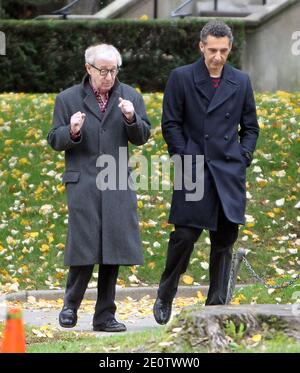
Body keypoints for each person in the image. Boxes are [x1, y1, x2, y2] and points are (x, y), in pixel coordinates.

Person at [153, 20, 259, 325]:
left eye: (223, 50)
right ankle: (165, 294)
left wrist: (243, 156)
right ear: (202, 47)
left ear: (230, 48)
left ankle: (216, 307)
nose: (218, 56)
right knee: (184, 236)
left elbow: (250, 126)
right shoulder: (182, 77)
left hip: (228, 171)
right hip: (193, 167)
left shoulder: (240, 81)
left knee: (224, 241)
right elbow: (170, 123)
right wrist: (183, 154)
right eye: (212, 50)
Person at [48, 44, 151, 332]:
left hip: (117, 180)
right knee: (84, 246)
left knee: (113, 249)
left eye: (113, 70)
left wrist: (132, 119)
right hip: (83, 181)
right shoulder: (68, 99)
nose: (108, 76)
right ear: (88, 69)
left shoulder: (129, 95)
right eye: (102, 71)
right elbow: (54, 139)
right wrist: (72, 131)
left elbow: (143, 135)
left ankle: (105, 315)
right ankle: (70, 305)